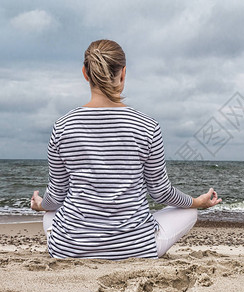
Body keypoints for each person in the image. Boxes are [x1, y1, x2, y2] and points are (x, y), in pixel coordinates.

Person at [30, 39, 222, 260]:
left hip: (69, 250)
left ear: (85, 73)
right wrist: (196, 202)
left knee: (50, 212)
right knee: (189, 212)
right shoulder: (147, 126)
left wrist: (40, 205)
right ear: (122, 74)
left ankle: (74, 241)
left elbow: (57, 195)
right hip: (136, 250)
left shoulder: (62, 126)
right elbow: (160, 192)